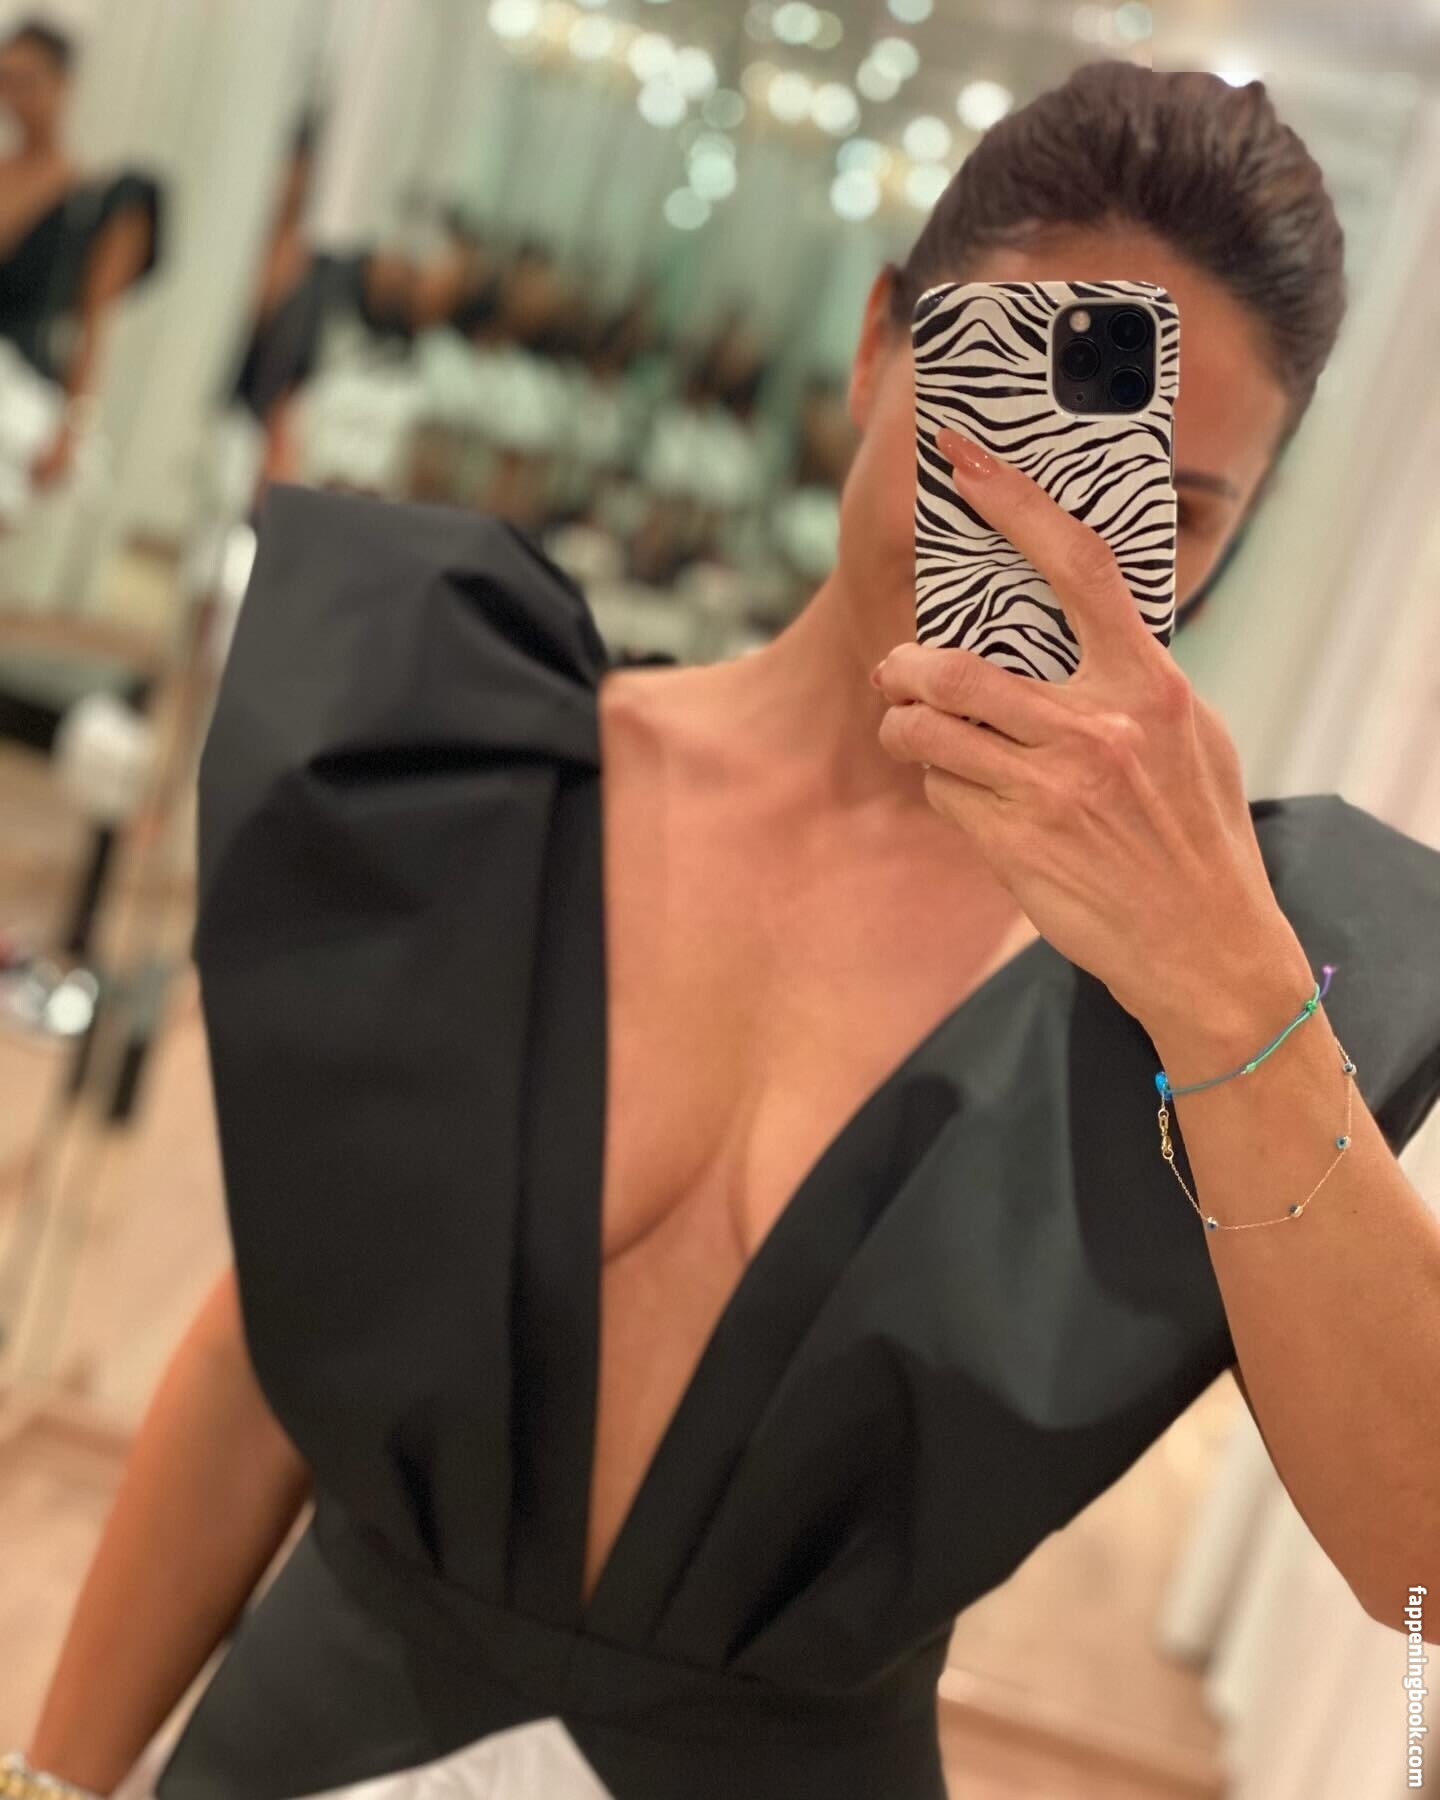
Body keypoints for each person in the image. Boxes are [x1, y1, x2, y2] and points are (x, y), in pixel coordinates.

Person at [17, 62, 1440, 1800]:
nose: (1060, 536)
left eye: (1172, 508)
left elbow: (1426, 1561)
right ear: (875, 347)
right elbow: (264, 1363)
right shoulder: (489, 784)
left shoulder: (1223, 980)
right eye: (1009, 420)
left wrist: (1226, 992)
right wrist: (55, 1781)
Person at [0, 17, 162, 491]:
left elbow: (93, 325)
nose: (15, 97)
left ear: (63, 84)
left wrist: (74, 426)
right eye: (6, 80)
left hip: (17, 392)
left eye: (29, 81)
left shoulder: (88, 204)